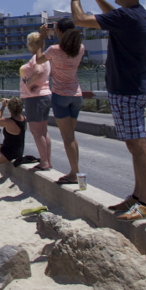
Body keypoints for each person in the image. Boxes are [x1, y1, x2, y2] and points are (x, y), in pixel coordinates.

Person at [72, 0, 146, 219]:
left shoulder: (128, 17)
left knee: (138, 146)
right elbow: (112, 16)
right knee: (133, 144)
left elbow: (80, 19)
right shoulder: (137, 14)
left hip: (128, 90)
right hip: (130, 87)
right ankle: (138, 197)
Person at [36, 17, 86, 183]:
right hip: (76, 94)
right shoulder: (80, 48)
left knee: (67, 137)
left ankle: (75, 173)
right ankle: (75, 170)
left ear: (60, 32)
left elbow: (38, 60)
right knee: (71, 136)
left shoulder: (54, 50)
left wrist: (42, 36)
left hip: (60, 95)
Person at [21, 33, 53, 171]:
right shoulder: (45, 57)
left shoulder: (36, 58)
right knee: (43, 131)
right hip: (45, 94)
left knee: (36, 131)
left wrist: (28, 84)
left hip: (35, 97)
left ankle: (44, 162)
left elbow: (38, 71)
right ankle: (47, 160)